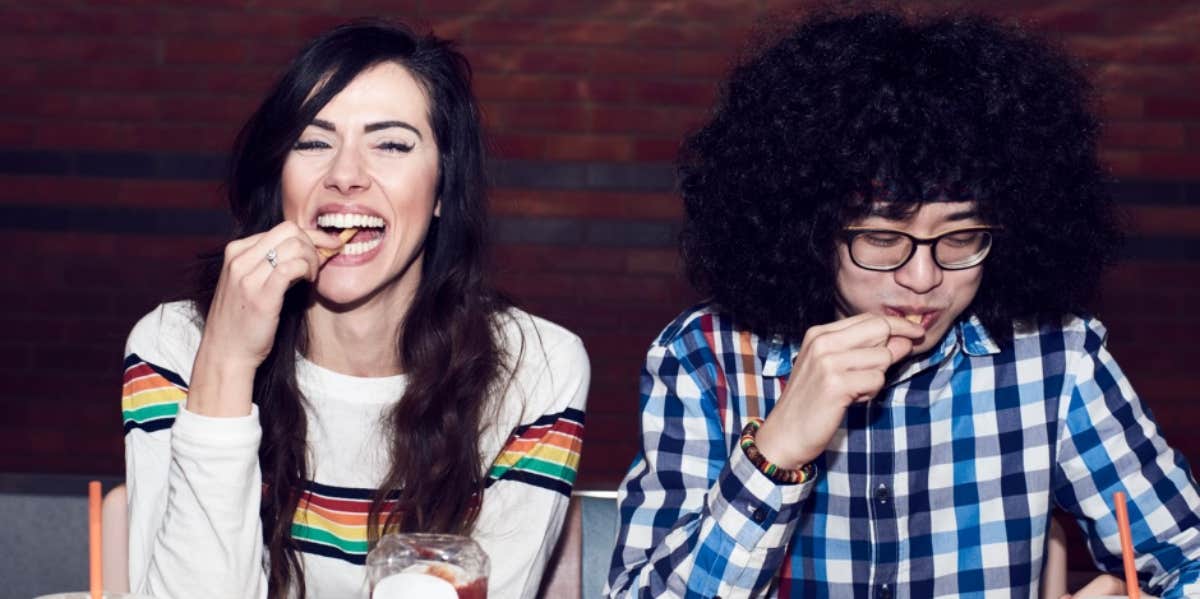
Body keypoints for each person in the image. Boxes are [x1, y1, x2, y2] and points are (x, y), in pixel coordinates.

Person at [606, 9, 1200, 598]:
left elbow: (1187, 555)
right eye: (883, 239)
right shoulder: (706, 356)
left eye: (961, 238)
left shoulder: (1054, 357)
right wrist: (774, 456)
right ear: (809, 229)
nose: (923, 277)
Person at [121, 19, 589, 599]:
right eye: (313, 142)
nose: (344, 176)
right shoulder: (174, 346)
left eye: (391, 144)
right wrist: (225, 362)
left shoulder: (533, 367)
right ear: (281, 177)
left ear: (443, 189)